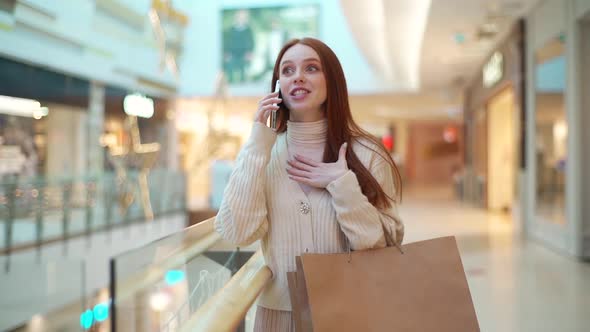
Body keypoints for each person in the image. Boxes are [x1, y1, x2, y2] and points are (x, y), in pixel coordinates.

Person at [214, 37, 404, 331]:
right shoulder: (264, 153)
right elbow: (236, 231)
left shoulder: (367, 153)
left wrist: (343, 185)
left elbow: (383, 242)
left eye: (311, 68)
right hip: (279, 317)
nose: (298, 76)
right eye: (287, 71)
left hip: (352, 313)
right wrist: (256, 140)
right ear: (277, 86)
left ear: (333, 81)